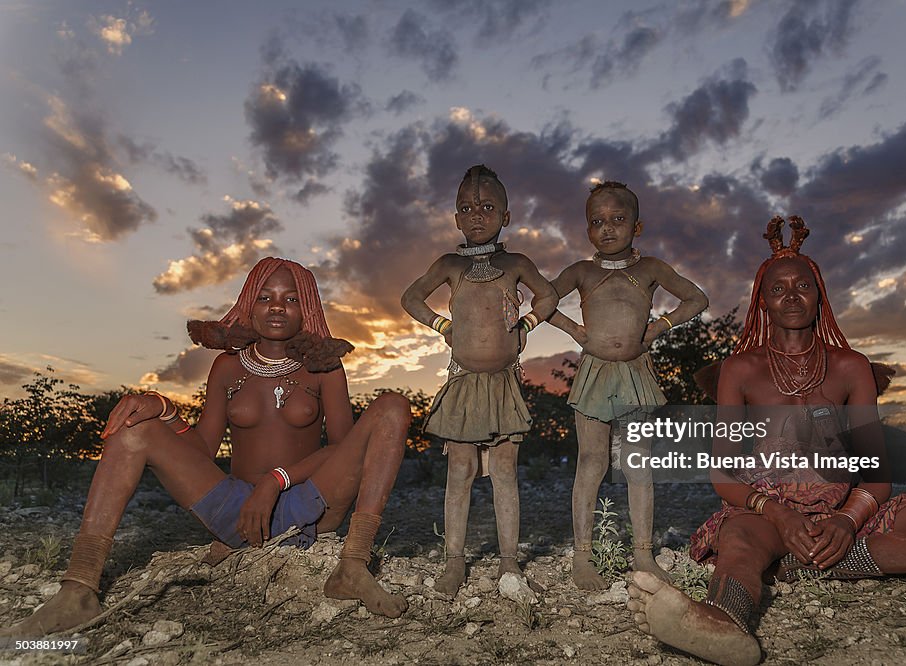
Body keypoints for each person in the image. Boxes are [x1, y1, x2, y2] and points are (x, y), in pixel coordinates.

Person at [627, 217, 906, 666]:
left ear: (819, 293)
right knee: (742, 546)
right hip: (765, 510)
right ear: (762, 302)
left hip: (848, 510)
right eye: (778, 288)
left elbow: (876, 473)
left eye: (802, 286)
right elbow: (722, 473)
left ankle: (813, 560)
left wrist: (846, 522)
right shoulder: (740, 370)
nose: (791, 296)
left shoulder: (850, 366)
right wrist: (782, 516)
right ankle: (723, 624)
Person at [3, 257, 411, 636]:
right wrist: (162, 409)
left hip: (310, 505)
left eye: (291, 299)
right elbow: (202, 447)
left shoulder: (324, 369)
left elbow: (342, 450)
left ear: (307, 310)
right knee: (134, 429)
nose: (276, 307)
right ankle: (78, 591)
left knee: (392, 407)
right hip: (238, 513)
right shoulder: (227, 367)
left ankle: (352, 567)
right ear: (248, 306)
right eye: (265, 297)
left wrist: (277, 480)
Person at [401, 164, 557, 596]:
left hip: (504, 381)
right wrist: (440, 325)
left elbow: (549, 295)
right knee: (461, 469)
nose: (476, 215)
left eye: (487, 207)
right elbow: (410, 297)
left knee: (505, 471)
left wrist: (526, 324)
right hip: (464, 381)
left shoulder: (516, 263)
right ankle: (454, 562)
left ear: (506, 216)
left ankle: (510, 563)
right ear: (455, 217)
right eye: (466, 208)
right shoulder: (450, 264)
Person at [549, 181, 708, 590]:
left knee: (638, 466)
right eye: (597, 221)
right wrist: (575, 330)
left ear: (637, 226)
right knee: (591, 462)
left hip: (636, 375)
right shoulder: (581, 271)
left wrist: (658, 328)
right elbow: (542, 300)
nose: (608, 228)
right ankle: (583, 558)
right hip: (595, 373)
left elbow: (696, 299)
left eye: (618, 219)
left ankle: (643, 554)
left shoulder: (649, 268)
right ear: (587, 229)